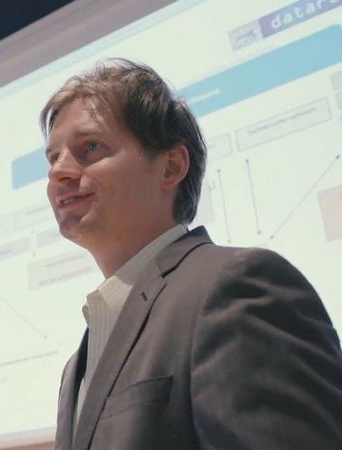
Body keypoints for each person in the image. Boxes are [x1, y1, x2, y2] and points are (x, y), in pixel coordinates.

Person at [40, 59, 342, 450]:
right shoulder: (74, 367)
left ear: (171, 166)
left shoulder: (236, 288)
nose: (58, 172)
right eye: (53, 158)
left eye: (90, 147)